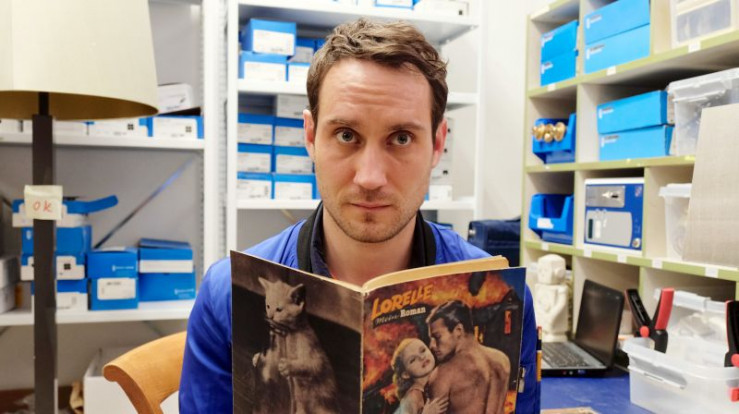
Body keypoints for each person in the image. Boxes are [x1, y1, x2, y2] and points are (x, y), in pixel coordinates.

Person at [179, 18, 538, 413]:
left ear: (437, 144)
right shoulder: (223, 295)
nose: (370, 178)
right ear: (311, 137)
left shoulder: (506, 292)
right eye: (346, 135)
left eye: (401, 138)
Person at [426, 300, 510, 414]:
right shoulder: (502, 359)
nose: (431, 345)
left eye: (437, 337)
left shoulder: (444, 374)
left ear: (458, 330)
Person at [391, 338, 449, 414]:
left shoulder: (439, 378)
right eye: (413, 360)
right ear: (406, 374)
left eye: (423, 350)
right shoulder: (412, 396)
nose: (421, 357)